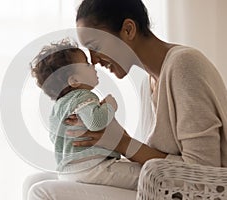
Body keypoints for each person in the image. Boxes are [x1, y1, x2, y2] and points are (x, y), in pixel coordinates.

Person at [27, 0, 227, 199]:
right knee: (34, 181)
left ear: (128, 30)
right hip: (166, 188)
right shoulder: (148, 84)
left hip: (197, 194)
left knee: (42, 191)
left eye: (95, 46)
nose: (94, 60)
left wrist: (122, 143)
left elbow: (204, 174)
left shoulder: (184, 64)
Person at [31, 38, 142, 190]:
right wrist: (110, 106)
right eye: (87, 64)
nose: (94, 66)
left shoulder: (58, 107)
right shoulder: (83, 96)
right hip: (93, 168)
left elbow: (55, 137)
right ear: (74, 80)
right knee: (148, 175)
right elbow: (96, 122)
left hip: (68, 173)